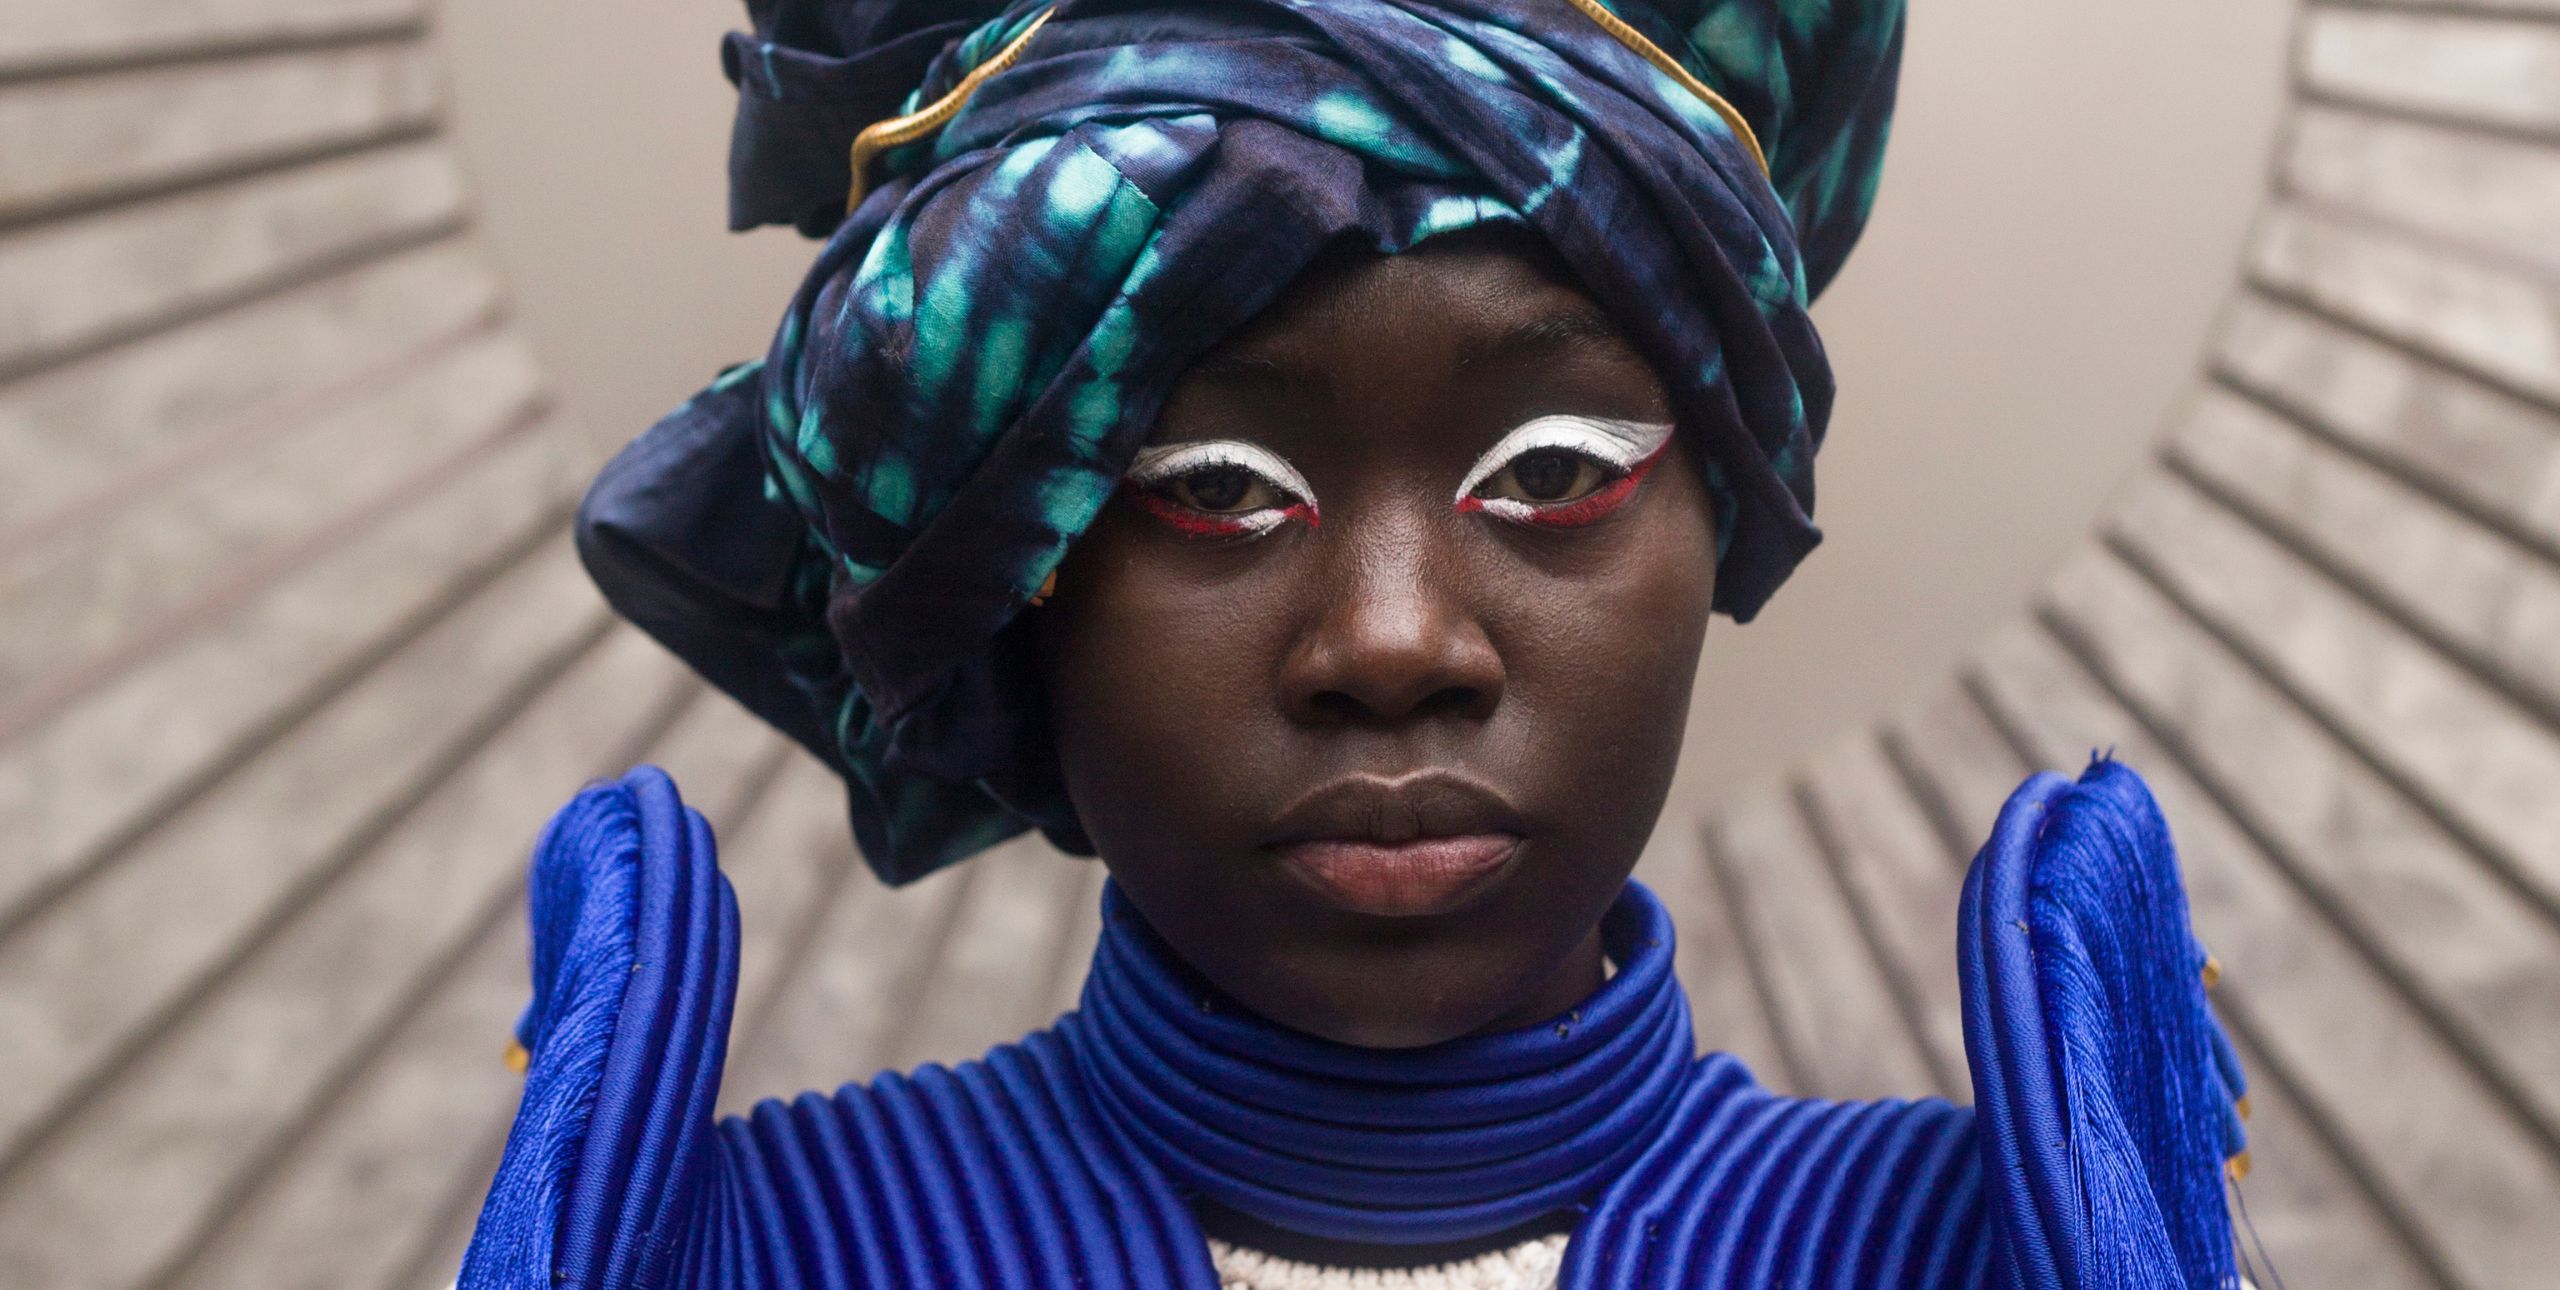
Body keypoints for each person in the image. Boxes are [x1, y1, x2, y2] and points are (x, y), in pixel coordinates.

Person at [460, 1, 2252, 1285]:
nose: (1393, 642)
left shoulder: (1983, 1253)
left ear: (1718, 519)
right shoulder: (770, 1252)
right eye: (1212, 485)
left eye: (1551, 469)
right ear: (1018, 581)